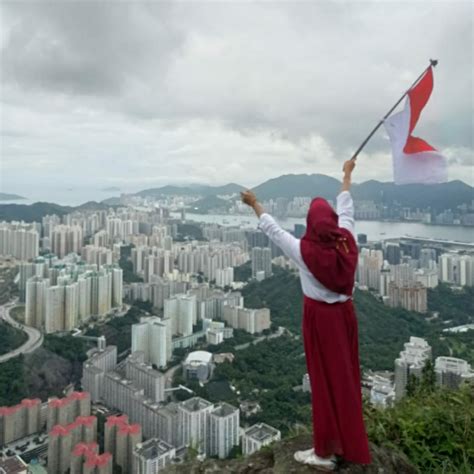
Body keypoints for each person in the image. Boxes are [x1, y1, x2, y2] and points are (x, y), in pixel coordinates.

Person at [241, 159, 371, 471]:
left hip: (320, 323)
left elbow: (272, 229)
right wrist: (347, 175)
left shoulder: (303, 250)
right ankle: (347, 441)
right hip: (346, 319)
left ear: (312, 225)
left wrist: (254, 203)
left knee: (324, 384)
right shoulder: (347, 241)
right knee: (346, 379)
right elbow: (347, 208)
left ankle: (324, 452)